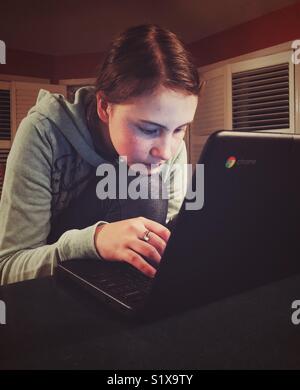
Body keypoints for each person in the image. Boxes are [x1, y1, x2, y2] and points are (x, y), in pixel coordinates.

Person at [0, 24, 200, 285]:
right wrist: (93, 241)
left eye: (180, 129)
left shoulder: (170, 147)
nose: (165, 151)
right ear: (105, 106)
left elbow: (166, 242)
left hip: (125, 289)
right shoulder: (43, 133)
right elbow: (8, 267)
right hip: (55, 289)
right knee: (147, 184)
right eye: (149, 129)